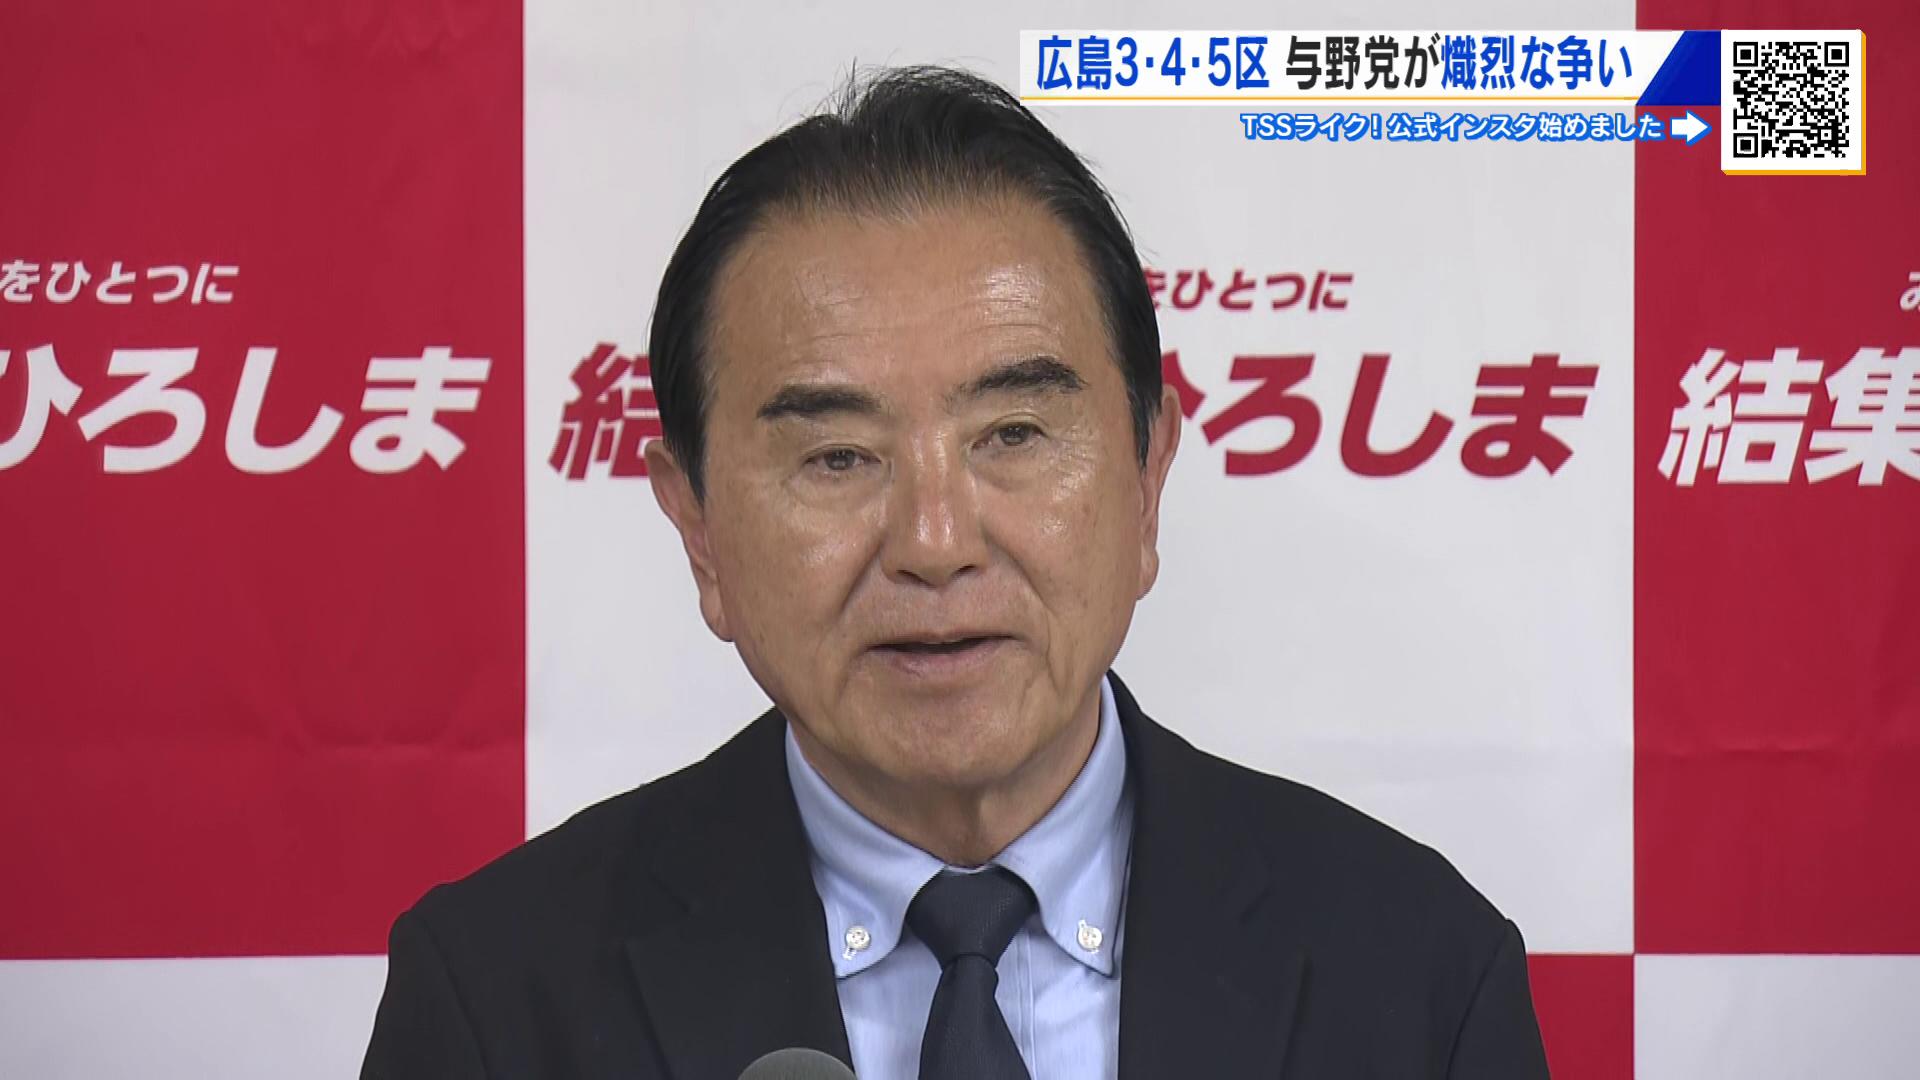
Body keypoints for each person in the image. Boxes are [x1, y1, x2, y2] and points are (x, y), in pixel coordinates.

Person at [362, 65, 1550, 1079]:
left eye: (1013, 436)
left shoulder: (1417, 973)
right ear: (698, 529)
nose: (935, 542)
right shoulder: (499, 1002)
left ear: (1147, 480)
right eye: (837, 457)